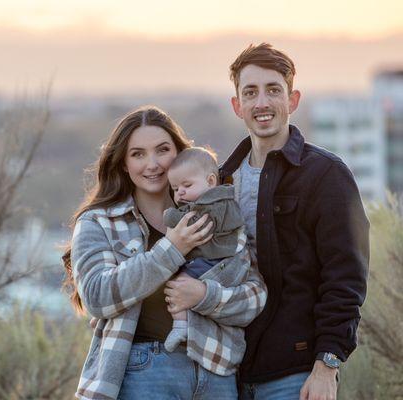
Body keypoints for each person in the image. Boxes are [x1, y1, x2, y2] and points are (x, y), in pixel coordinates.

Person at [62, 105, 267, 400]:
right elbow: (97, 296)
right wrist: (172, 250)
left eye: (162, 149)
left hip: (216, 371)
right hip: (145, 371)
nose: (153, 164)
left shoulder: (217, 216)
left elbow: (255, 294)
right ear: (123, 163)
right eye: (138, 154)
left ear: (180, 153)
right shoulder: (99, 222)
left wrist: (204, 295)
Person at [219, 43, 370, 400]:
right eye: (250, 92)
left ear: (293, 99)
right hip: (228, 376)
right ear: (237, 105)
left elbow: (345, 278)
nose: (262, 103)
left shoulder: (326, 175)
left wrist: (326, 366)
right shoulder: (222, 181)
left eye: (274, 90)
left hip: (296, 376)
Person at [162, 146, 266, 352]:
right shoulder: (224, 200)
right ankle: (183, 325)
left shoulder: (211, 204)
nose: (180, 192)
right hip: (215, 258)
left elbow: (188, 220)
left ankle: (180, 325)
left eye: (186, 185)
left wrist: (169, 216)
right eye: (174, 189)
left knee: (177, 283)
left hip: (214, 261)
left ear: (210, 181)